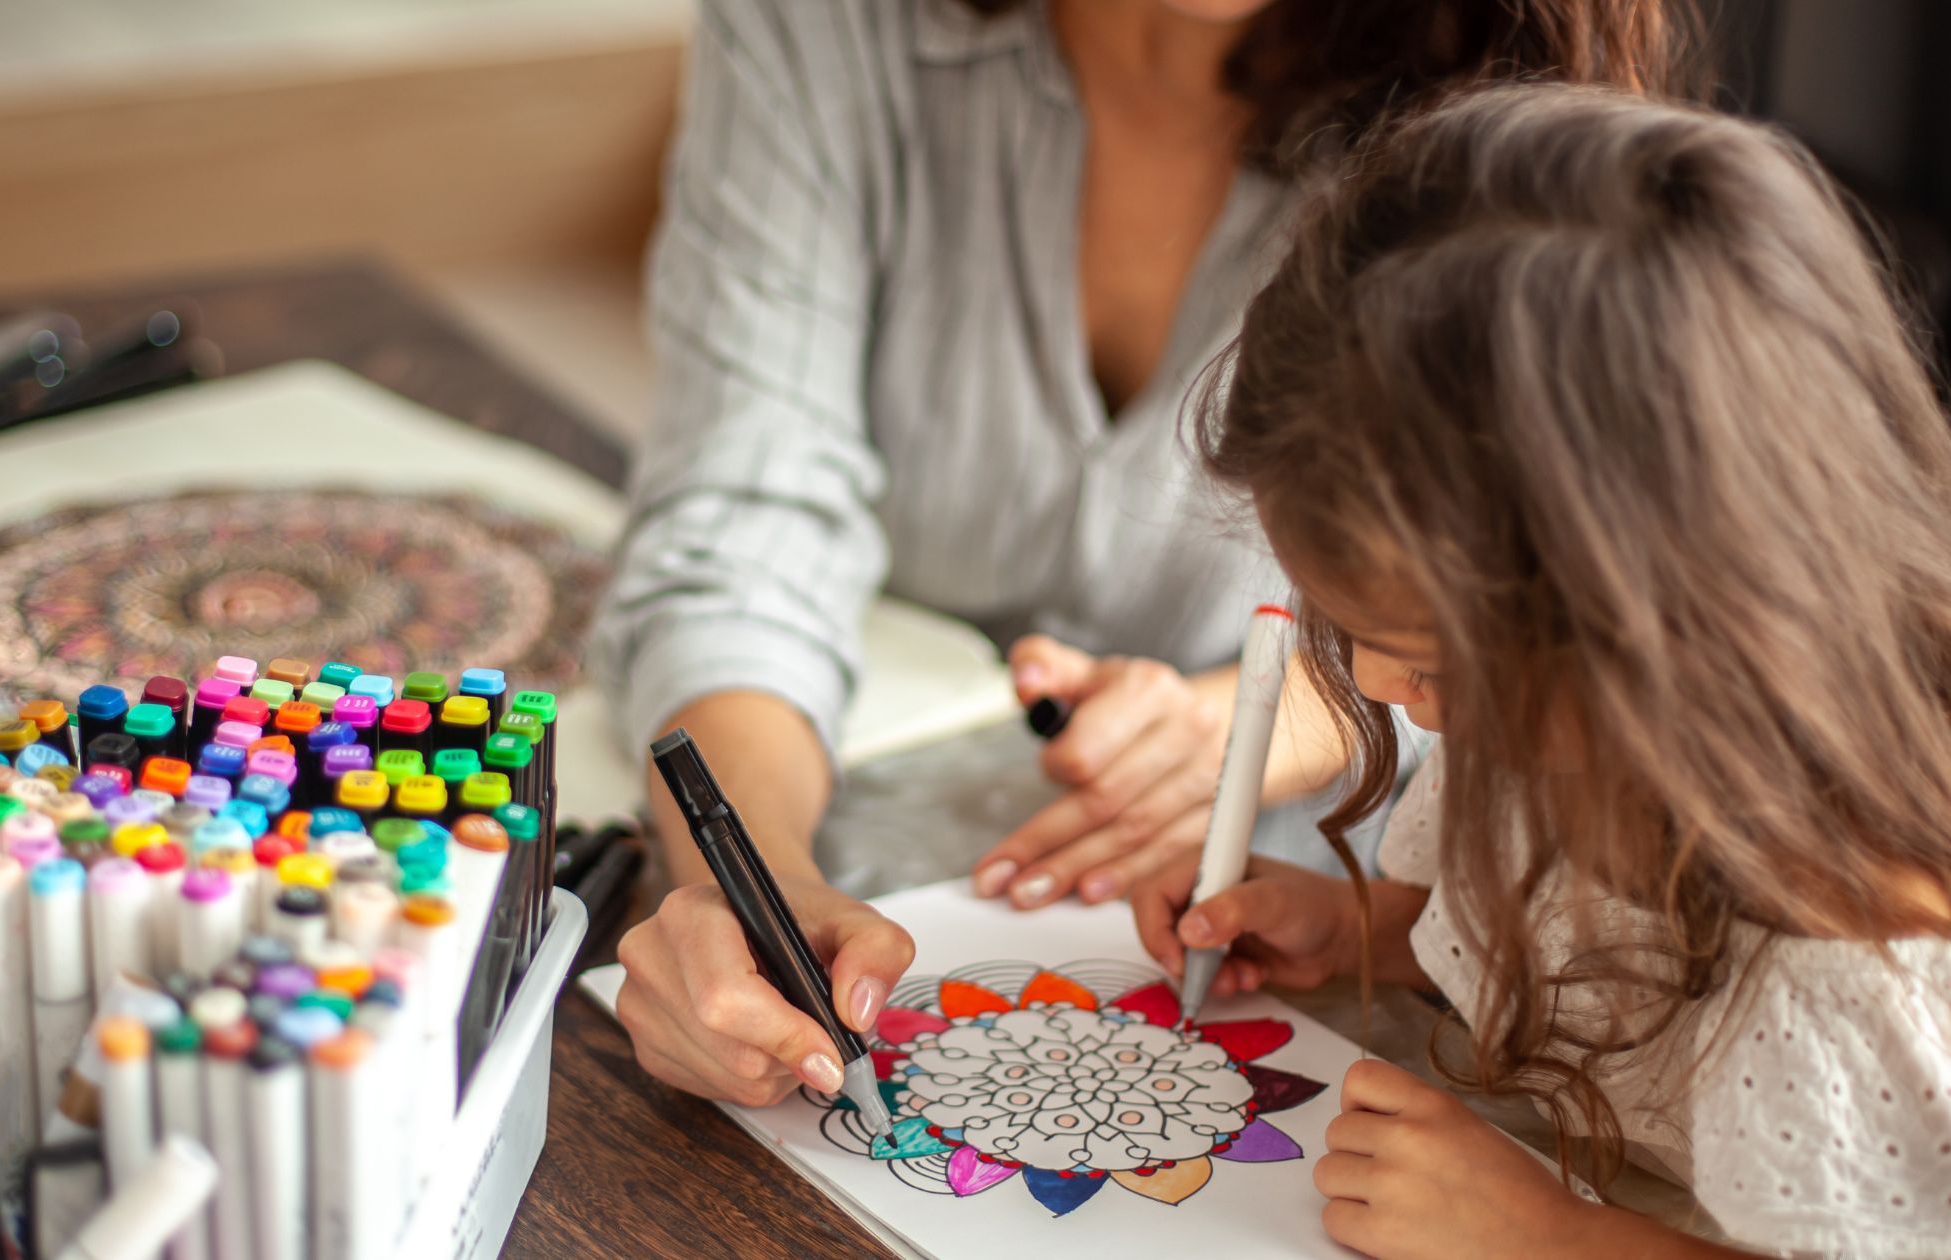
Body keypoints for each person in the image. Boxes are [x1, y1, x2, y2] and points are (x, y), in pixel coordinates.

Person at [603, 0, 1693, 1108]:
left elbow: (1576, 608)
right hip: (885, 828)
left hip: (1360, 920)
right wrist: (756, 889)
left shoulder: (1510, 83)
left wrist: (1302, 717)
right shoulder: (825, 28)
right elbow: (741, 533)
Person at [1134, 84, 1951, 1259]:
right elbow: (1575, 948)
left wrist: (1543, 1237)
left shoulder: (1869, 970)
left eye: (1425, 660)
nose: (1368, 677)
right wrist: (1355, 931)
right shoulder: (1552, 747)